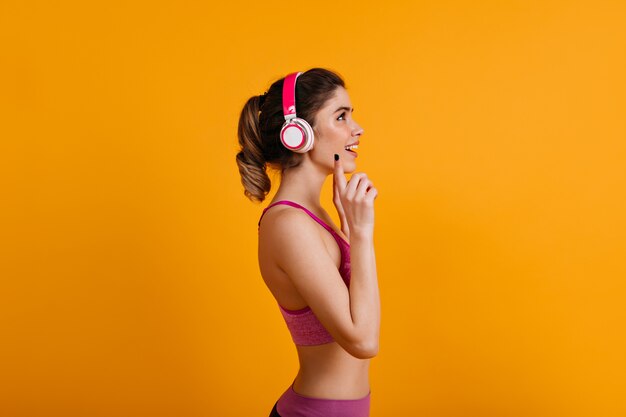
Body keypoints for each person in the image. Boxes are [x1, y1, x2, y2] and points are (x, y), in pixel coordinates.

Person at [236, 68, 380, 417]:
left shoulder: (316, 215)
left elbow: (359, 310)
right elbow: (363, 340)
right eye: (341, 116)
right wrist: (361, 236)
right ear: (298, 134)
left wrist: (350, 228)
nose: (357, 128)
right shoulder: (288, 225)